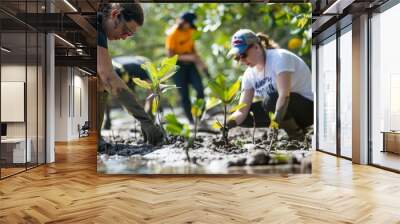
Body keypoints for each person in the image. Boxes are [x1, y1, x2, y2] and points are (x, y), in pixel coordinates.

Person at [97, 2, 164, 145]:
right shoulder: (95, 24)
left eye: (130, 34)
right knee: (102, 79)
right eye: (126, 30)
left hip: (121, 71)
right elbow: (107, 75)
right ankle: (94, 137)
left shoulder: (100, 30)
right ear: (115, 15)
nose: (124, 37)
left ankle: (95, 136)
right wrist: (146, 119)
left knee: (101, 81)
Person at [226, 29, 314, 137]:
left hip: (309, 109)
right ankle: (295, 127)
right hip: (284, 109)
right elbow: (241, 111)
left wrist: (274, 124)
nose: (241, 61)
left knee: (271, 100)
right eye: (237, 58)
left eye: (243, 55)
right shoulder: (249, 75)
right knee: (243, 116)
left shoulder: (279, 58)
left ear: (256, 47)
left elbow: (284, 96)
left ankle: (295, 133)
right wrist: (226, 126)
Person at [165, 12, 209, 124]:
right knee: (185, 95)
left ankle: (200, 117)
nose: (190, 27)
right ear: (184, 22)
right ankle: (190, 120)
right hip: (178, 67)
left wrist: (202, 65)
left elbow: (193, 50)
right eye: (189, 24)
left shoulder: (191, 31)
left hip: (191, 65)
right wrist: (188, 57)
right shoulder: (172, 34)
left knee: (200, 89)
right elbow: (170, 56)